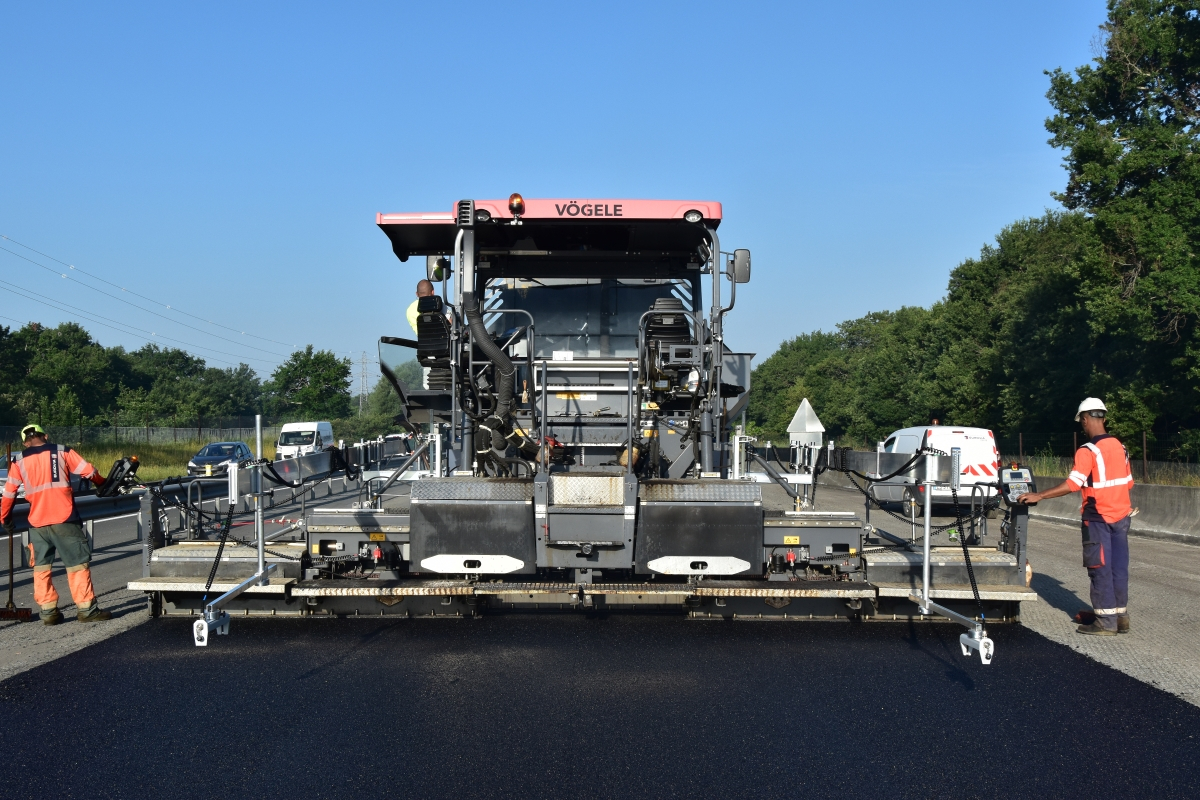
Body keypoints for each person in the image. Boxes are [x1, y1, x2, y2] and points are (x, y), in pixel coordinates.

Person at [1019, 398, 1133, 636]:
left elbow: (1073, 484)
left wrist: (1039, 495)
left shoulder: (1088, 450)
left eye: (1081, 421)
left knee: (1099, 567)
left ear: (1084, 419)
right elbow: (1128, 483)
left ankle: (1105, 622)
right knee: (1118, 568)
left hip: (1098, 517)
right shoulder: (1120, 447)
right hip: (1121, 516)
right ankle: (1120, 617)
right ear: (1103, 416)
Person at [0, 424, 111, 625]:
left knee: (41, 567)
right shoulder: (62, 451)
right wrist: (101, 482)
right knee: (77, 564)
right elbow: (88, 471)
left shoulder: (19, 461)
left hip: (37, 523)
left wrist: (4, 518)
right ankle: (86, 610)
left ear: (25, 441)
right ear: (46, 436)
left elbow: (8, 493)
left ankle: (49, 611)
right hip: (64, 518)